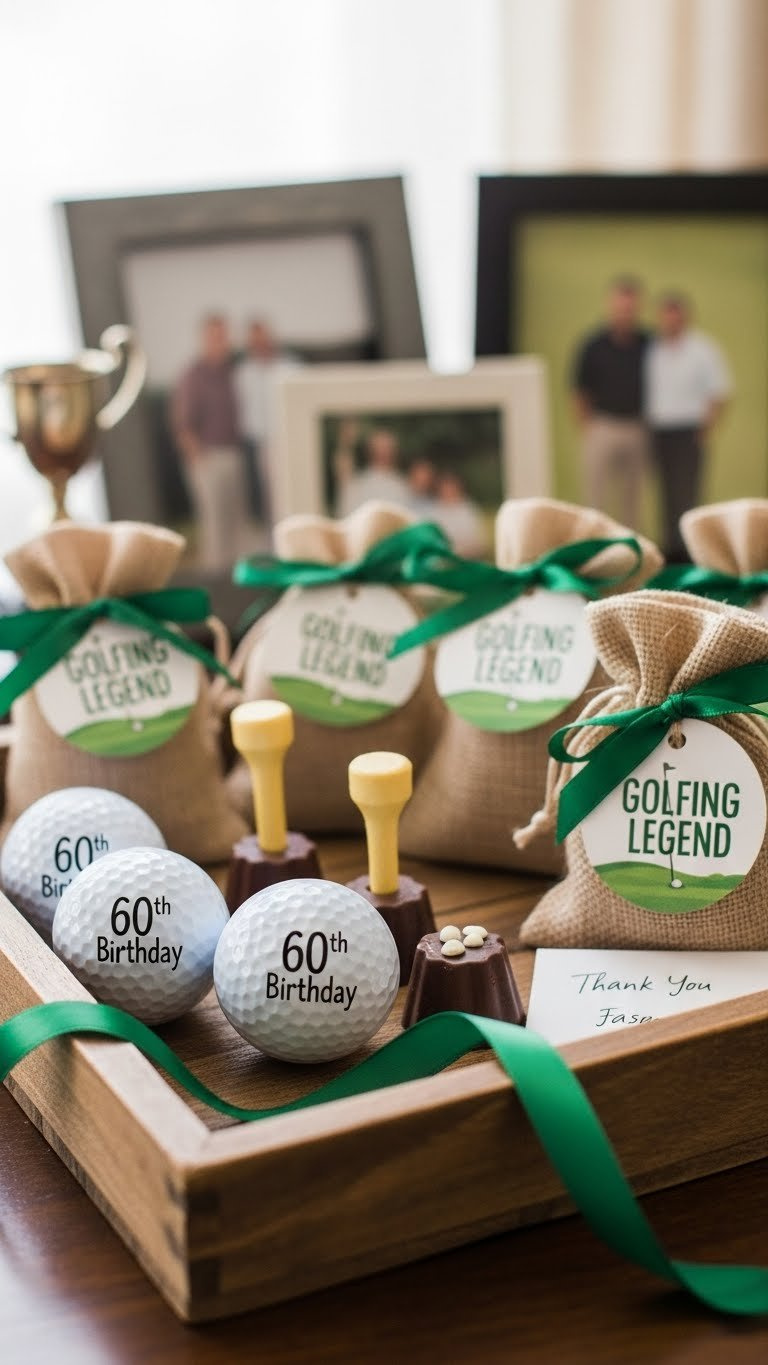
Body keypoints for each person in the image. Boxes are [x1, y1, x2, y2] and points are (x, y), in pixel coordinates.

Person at [645, 292, 731, 560]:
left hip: (688, 429)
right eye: (666, 317)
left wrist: (706, 427)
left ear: (685, 318)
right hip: (659, 430)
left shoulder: (703, 349)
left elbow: (719, 391)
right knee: (665, 493)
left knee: (688, 493)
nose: (671, 322)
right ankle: (670, 550)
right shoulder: (653, 349)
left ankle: (693, 550)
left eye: (676, 317)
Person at [170, 315, 251, 570]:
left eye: (224, 335)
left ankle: (237, 574)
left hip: (234, 453)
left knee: (236, 520)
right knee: (214, 523)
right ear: (205, 338)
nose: (221, 341)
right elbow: (183, 423)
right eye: (216, 335)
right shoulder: (193, 375)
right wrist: (197, 460)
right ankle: (217, 577)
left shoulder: (233, 371)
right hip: (208, 456)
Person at [571, 277, 650, 528]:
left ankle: (631, 552)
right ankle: (593, 548)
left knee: (632, 498)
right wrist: (587, 427)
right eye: (620, 306)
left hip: (637, 426)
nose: (625, 312)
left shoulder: (649, 343)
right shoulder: (593, 345)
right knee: (595, 495)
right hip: (602, 425)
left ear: (638, 308)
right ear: (610, 305)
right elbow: (579, 390)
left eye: (630, 307)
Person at [234, 320, 299, 527]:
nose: (260, 344)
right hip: (262, 443)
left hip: (291, 440)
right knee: (271, 500)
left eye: (263, 338)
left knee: (294, 492)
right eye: (255, 341)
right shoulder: (244, 373)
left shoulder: (291, 367)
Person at [335, 427, 411, 517]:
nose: (383, 453)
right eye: (379, 448)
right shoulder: (358, 484)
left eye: (387, 448)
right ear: (370, 451)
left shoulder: (403, 484)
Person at [431, 471, 487, 557]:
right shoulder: (433, 512)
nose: (449, 490)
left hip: (468, 559)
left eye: (451, 486)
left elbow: (480, 543)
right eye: (446, 487)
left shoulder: (469, 509)